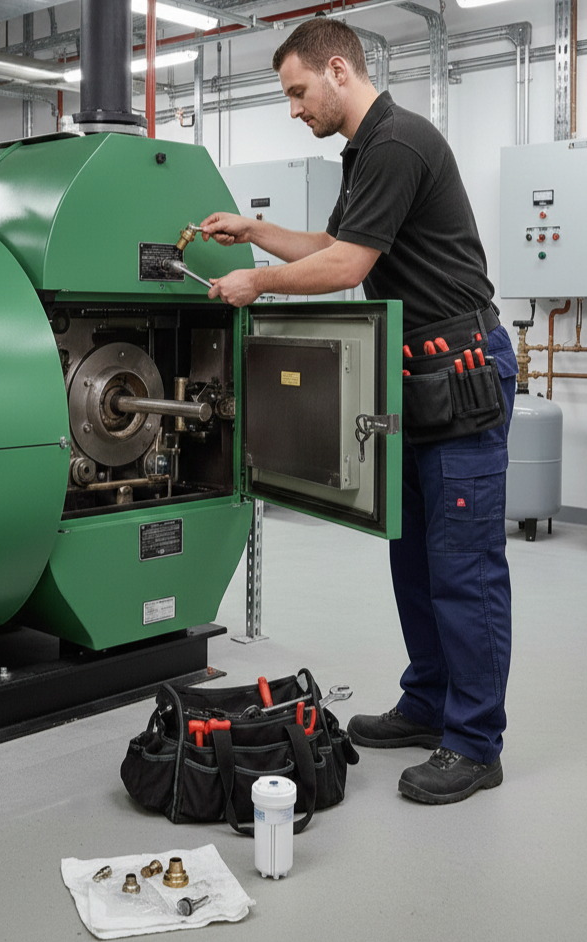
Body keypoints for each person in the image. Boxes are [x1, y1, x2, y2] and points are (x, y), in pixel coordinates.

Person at [200, 17, 517, 804]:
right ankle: (428, 702)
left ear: (338, 70)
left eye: (297, 91)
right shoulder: (366, 150)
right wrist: (254, 232)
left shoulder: (398, 142)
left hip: (462, 374)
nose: (294, 108)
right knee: (413, 558)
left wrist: (254, 284)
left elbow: (348, 265)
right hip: (413, 379)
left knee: (465, 568)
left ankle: (475, 742)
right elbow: (332, 242)